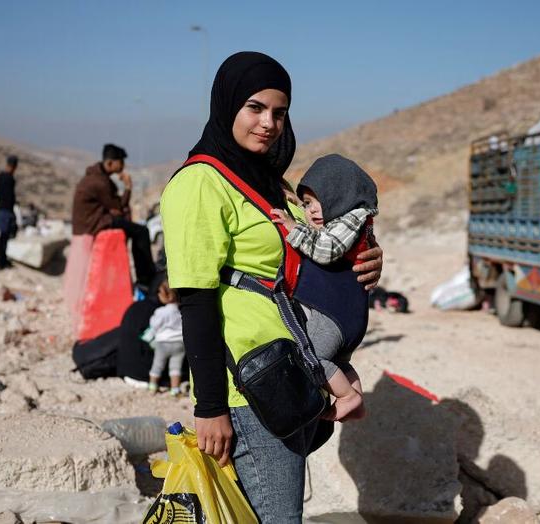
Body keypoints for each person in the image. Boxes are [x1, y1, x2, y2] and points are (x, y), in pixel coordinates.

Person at [161, 51, 383, 522]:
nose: (269, 123)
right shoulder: (200, 184)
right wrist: (210, 407)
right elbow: (195, 301)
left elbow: (317, 252)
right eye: (255, 108)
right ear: (227, 106)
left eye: (279, 113)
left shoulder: (271, 184)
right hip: (250, 385)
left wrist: (369, 257)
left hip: (293, 373)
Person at [270, 154, 378, 421]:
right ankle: (356, 401)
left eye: (317, 201)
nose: (311, 211)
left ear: (340, 195)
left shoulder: (351, 218)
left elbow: (326, 249)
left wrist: (293, 227)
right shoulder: (347, 221)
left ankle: (348, 397)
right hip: (348, 315)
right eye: (306, 204)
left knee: (312, 355)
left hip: (334, 312)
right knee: (338, 362)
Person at [72, 144, 155, 287]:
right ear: (110, 163)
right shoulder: (100, 182)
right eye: (121, 162)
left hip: (94, 221)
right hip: (94, 224)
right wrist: (128, 187)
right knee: (141, 232)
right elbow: (119, 206)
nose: (123, 166)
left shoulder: (96, 177)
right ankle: (145, 278)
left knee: (133, 228)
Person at [143, 279, 185, 396]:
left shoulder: (161, 312)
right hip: (179, 343)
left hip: (163, 343)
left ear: (168, 296)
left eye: (160, 292)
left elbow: (154, 325)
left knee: (158, 365)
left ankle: (153, 386)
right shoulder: (181, 311)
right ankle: (175, 390)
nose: (158, 295)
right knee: (176, 367)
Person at [0, 155, 18, 269]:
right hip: (6, 211)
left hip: (2, 210)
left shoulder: (1, 176)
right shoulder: (10, 178)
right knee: (4, 237)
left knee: (3, 237)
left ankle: (1, 260)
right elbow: (10, 197)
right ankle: (1, 261)